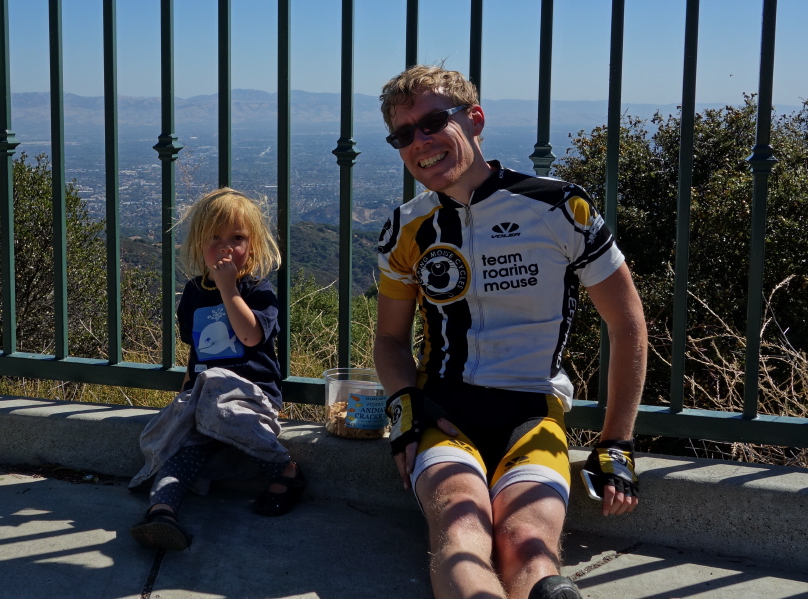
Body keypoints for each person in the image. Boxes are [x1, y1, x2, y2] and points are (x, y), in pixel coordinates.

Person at [374, 65, 647, 599]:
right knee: (458, 528)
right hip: (443, 411)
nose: (420, 142)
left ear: (474, 120)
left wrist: (617, 441)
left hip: (534, 410)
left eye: (432, 122)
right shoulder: (406, 227)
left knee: (526, 542)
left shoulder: (559, 207)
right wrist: (405, 403)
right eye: (404, 135)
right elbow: (389, 340)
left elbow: (627, 322)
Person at [129, 187, 306, 552]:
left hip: (250, 397)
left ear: (253, 246)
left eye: (237, 238)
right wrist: (186, 394)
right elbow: (197, 352)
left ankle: (285, 469)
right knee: (181, 446)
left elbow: (251, 336)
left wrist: (229, 289)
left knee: (222, 400)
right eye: (215, 237)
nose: (226, 247)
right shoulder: (193, 293)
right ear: (198, 244)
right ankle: (162, 512)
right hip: (204, 395)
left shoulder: (258, 289)